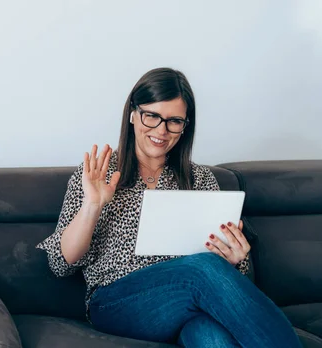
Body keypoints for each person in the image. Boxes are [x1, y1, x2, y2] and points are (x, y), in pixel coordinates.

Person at [36, 67, 302, 347]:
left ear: (185, 126)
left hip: (186, 305)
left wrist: (234, 259)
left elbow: (222, 262)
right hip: (117, 302)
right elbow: (60, 264)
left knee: (209, 335)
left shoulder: (199, 178)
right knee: (201, 269)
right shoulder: (99, 171)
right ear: (132, 114)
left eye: (174, 121)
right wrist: (92, 204)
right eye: (152, 116)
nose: (161, 131)